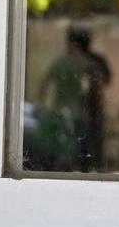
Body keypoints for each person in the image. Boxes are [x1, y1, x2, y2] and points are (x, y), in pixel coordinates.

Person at [39, 28, 110, 172]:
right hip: (79, 112)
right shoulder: (86, 63)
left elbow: (44, 84)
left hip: (58, 110)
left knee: (58, 147)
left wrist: (43, 104)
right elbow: (97, 86)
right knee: (81, 148)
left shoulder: (59, 62)